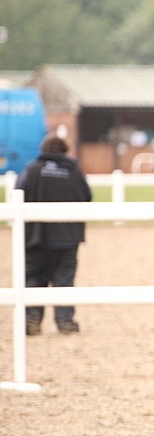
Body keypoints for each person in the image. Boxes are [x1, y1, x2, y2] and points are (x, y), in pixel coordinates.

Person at [16, 135, 92, 335]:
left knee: (33, 278)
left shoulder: (32, 170)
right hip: (68, 236)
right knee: (64, 279)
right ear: (65, 150)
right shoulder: (75, 172)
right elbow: (87, 197)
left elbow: (18, 194)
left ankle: (32, 320)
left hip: (36, 237)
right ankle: (65, 322)